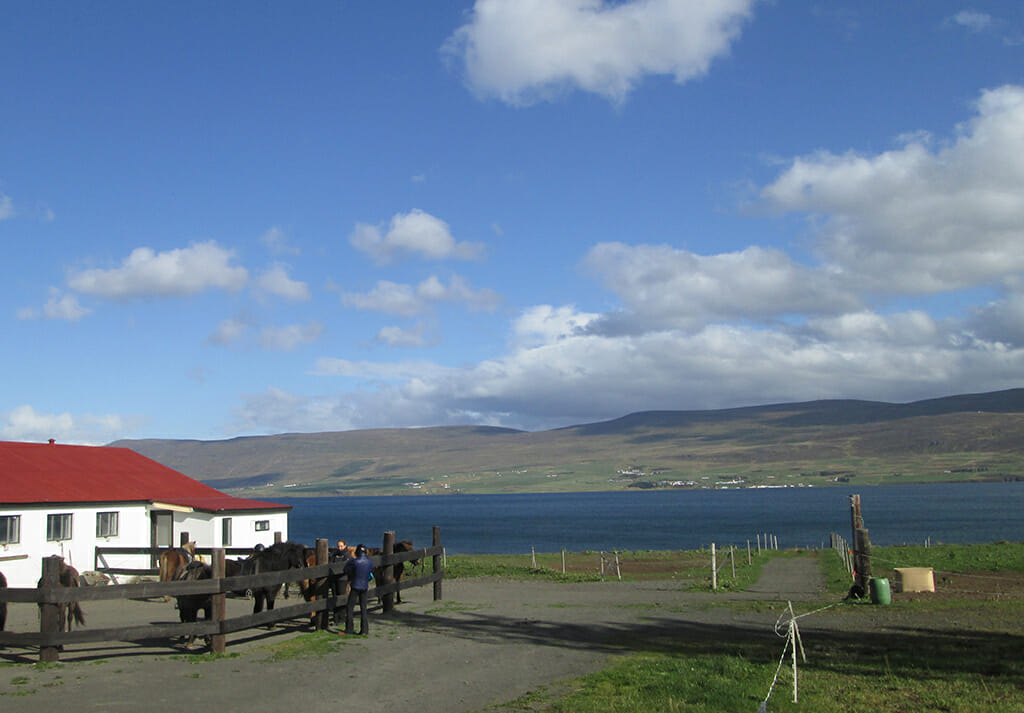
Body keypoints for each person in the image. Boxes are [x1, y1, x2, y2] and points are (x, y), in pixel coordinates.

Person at [342, 544, 373, 635]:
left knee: (350, 607)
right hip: (364, 586)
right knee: (363, 608)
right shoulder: (369, 561)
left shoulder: (354, 562)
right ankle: (364, 630)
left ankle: (349, 629)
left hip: (355, 586)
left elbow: (346, 570)